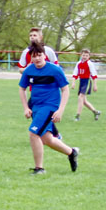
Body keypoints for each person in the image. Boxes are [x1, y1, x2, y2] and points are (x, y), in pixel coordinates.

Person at [18, 42, 79, 175]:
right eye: (34, 56)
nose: (37, 59)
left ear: (45, 55)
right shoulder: (29, 71)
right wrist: (26, 107)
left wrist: (60, 110)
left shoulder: (55, 70)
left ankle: (39, 168)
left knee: (33, 133)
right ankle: (71, 152)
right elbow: (22, 89)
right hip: (36, 107)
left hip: (50, 106)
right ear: (31, 58)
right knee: (47, 139)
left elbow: (65, 90)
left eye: (39, 55)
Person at [71, 48, 101, 121]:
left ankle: (77, 116)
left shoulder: (89, 64)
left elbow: (94, 75)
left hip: (86, 82)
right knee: (84, 101)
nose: (84, 57)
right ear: (81, 55)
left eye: (86, 55)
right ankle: (96, 112)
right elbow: (75, 74)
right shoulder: (78, 63)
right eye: (83, 55)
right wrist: (73, 83)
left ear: (89, 57)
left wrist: (95, 85)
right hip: (81, 81)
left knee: (80, 97)